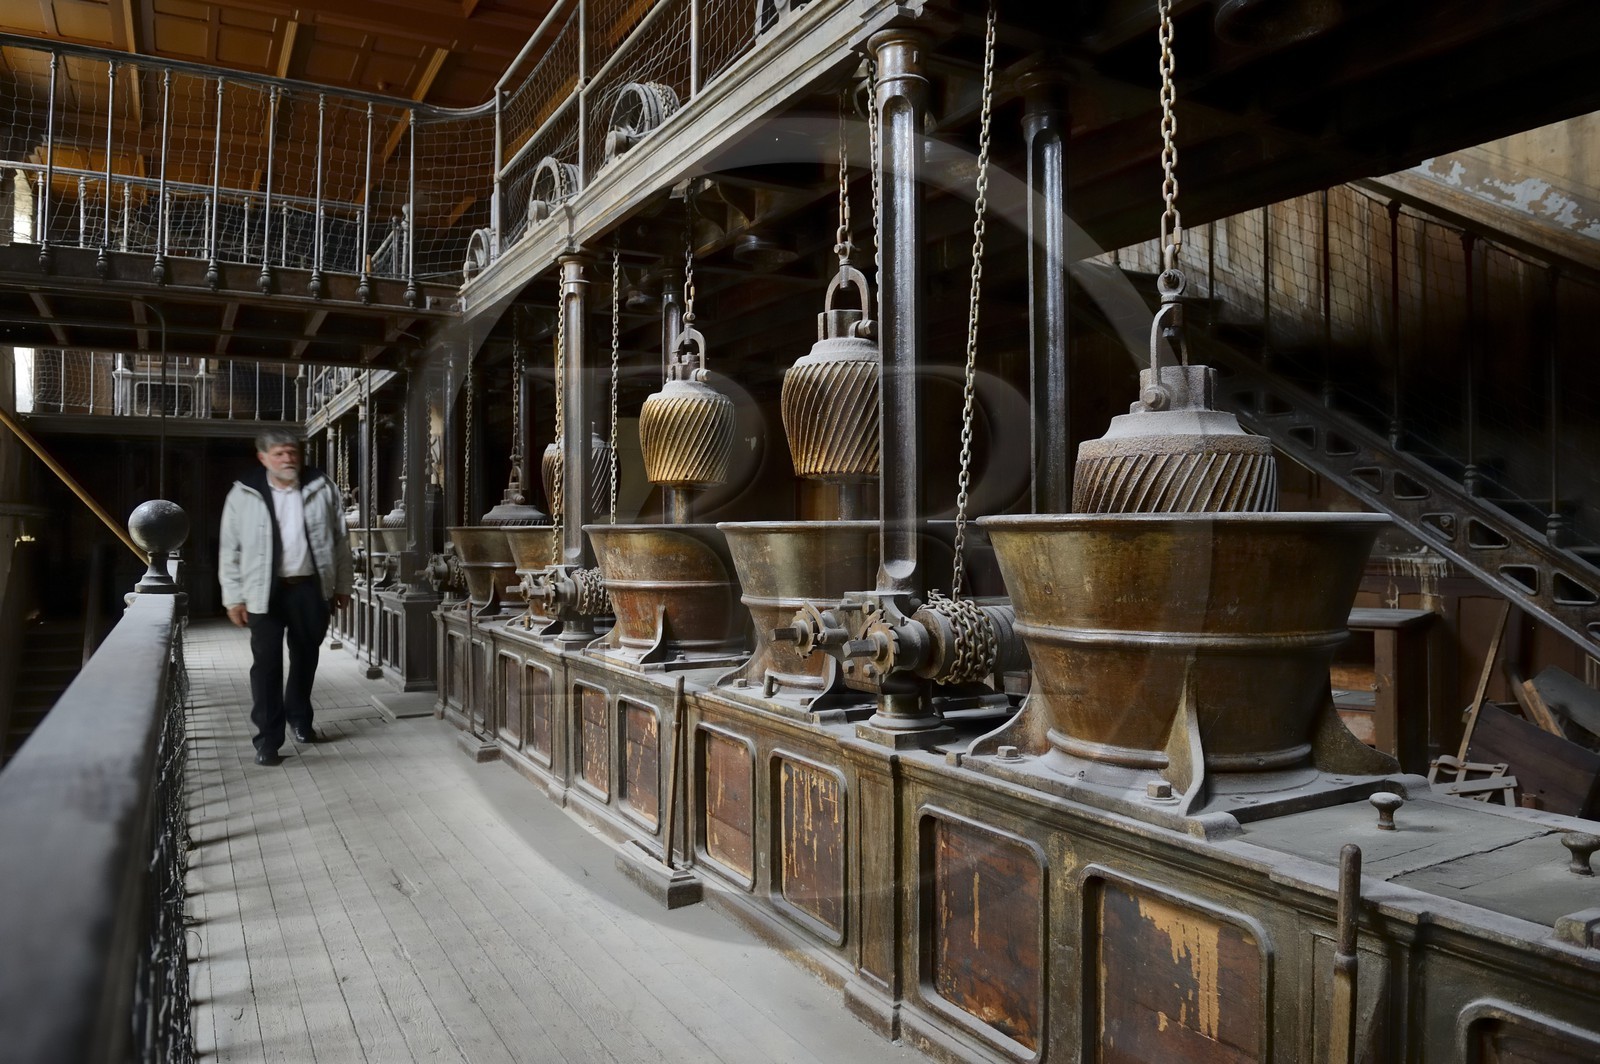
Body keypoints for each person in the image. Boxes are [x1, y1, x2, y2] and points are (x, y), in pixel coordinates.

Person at [219, 430, 353, 766]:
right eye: (279, 454)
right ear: (263, 458)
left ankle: (300, 719)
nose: (288, 459)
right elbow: (229, 549)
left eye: (292, 452)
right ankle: (268, 739)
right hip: (263, 591)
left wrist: (343, 586)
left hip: (309, 587)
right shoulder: (244, 493)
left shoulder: (322, 488)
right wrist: (233, 597)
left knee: (306, 657)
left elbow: (340, 541)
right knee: (266, 666)